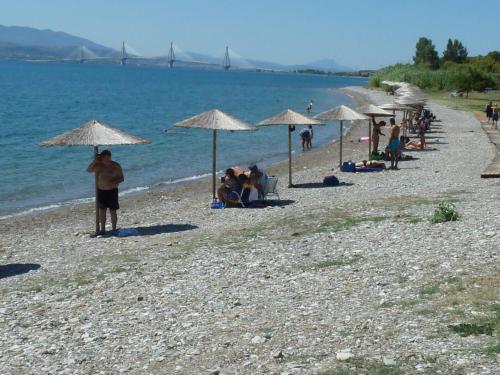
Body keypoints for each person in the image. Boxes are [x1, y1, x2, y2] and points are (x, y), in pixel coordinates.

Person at [86, 150, 124, 234]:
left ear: (110, 157)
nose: (106, 160)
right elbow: (88, 170)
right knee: (102, 211)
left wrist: (114, 182)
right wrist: (95, 161)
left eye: (108, 158)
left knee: (112, 211)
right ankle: (102, 229)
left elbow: (122, 178)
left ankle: (114, 229)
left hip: (112, 191)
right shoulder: (98, 165)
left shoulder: (115, 165)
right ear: (101, 158)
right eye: (104, 158)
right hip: (101, 191)